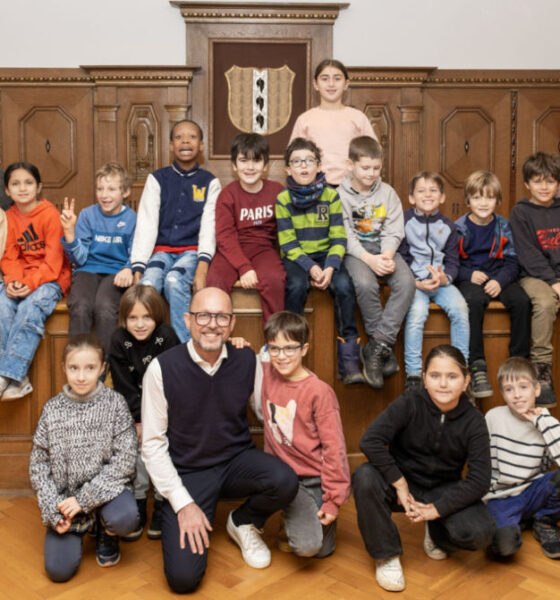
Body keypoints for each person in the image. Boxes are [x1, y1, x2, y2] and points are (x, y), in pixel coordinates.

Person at [141, 287, 298, 594]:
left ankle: (242, 521)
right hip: (189, 474)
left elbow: (266, 414)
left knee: (285, 480)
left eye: (221, 317)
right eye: (203, 316)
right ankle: (193, 510)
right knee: (183, 579)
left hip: (236, 463)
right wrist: (184, 504)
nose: (212, 324)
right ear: (187, 320)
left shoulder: (246, 360)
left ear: (232, 323)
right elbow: (152, 445)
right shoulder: (161, 369)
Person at [352, 344, 494, 593]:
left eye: (452, 377)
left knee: (481, 533)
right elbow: (370, 441)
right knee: (364, 476)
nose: (443, 384)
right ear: (425, 379)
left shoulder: (474, 421)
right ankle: (386, 555)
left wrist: (437, 509)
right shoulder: (410, 403)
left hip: (443, 489)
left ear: (466, 381)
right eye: (435, 375)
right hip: (403, 486)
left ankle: (436, 531)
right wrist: (399, 481)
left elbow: (480, 480)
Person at [29, 334, 138, 582]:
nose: (81, 376)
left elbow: (126, 461)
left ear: (102, 368)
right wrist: (52, 510)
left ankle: (106, 531)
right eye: (74, 368)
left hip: (106, 492)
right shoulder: (52, 409)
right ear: (64, 369)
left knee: (125, 518)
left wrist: (84, 500)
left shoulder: (115, 404)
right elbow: (38, 465)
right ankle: (81, 527)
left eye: (90, 368)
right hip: (66, 504)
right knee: (58, 571)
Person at [253, 311, 351, 557]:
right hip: (280, 475)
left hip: (313, 478)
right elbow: (241, 359)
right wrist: (237, 344)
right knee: (307, 544)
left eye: (289, 349)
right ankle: (290, 509)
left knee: (314, 550)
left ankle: (306, 510)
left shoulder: (320, 392)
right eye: (274, 349)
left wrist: (333, 499)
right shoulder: (266, 374)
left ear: (304, 349)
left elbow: (334, 448)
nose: (281, 356)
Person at [276, 137, 363, 385]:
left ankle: (349, 361)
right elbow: (288, 244)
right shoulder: (283, 200)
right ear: (288, 169)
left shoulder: (331, 196)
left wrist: (330, 267)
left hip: (327, 256)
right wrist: (312, 268)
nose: (303, 166)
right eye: (297, 162)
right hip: (298, 256)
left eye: (309, 161)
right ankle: (290, 348)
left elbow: (338, 237)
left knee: (345, 287)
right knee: (294, 286)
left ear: (318, 165)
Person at [130, 119, 221, 342]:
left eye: (192, 137)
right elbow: (146, 224)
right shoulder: (157, 179)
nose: (185, 141)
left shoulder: (210, 182)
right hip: (160, 252)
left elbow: (209, 227)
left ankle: (187, 345)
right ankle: (150, 346)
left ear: (201, 145)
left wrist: (203, 264)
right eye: (179, 137)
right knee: (147, 286)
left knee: (173, 281)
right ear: (171, 145)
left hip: (190, 253)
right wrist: (138, 266)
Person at [339, 136, 415, 388]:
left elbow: (394, 229)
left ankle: (377, 346)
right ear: (350, 165)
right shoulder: (339, 195)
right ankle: (384, 350)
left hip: (385, 250)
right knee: (364, 283)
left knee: (406, 282)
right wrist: (369, 260)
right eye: (365, 168)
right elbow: (345, 234)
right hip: (356, 253)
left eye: (376, 168)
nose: (371, 173)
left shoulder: (388, 193)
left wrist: (386, 255)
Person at [109, 284, 180, 542]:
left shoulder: (167, 336)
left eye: (147, 317)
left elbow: (173, 384)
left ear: (157, 316)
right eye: (133, 318)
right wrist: (138, 421)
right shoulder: (119, 340)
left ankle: (162, 501)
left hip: (166, 410)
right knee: (136, 447)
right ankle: (139, 499)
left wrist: (154, 422)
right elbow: (123, 387)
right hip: (134, 410)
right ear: (124, 319)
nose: (140, 324)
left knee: (164, 446)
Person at [455, 170, 530, 398]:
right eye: (477, 198)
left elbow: (513, 261)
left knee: (522, 301)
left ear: (497, 199)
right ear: (468, 201)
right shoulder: (458, 228)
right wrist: (468, 275)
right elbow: (451, 263)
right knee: (474, 302)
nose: (483, 203)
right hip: (471, 278)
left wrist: (500, 280)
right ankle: (477, 364)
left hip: (499, 275)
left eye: (489, 197)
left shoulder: (504, 226)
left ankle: (518, 361)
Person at [0, 162, 71, 400]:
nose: (22, 188)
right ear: (7, 190)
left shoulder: (49, 214)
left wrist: (29, 284)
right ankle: (12, 377)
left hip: (50, 279)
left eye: (28, 182)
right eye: (15, 184)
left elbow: (53, 263)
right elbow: (9, 257)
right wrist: (13, 282)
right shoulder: (8, 217)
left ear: (39, 187)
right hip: (21, 278)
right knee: (2, 303)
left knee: (31, 307)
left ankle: (8, 374)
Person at [399, 171, 470, 390]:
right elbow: (400, 256)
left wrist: (444, 278)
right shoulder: (403, 221)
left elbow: (453, 261)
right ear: (411, 197)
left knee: (460, 309)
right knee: (417, 314)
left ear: (442, 197)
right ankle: (413, 375)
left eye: (433, 191)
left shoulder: (449, 226)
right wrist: (415, 282)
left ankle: (462, 367)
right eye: (421, 191)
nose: (427, 195)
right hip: (415, 283)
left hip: (440, 283)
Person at [484, 357, 560, 559]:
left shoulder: (547, 423)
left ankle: (544, 521)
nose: (517, 395)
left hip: (533, 491)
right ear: (502, 394)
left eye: (523, 387)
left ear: (536, 390)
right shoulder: (493, 417)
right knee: (504, 549)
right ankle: (515, 523)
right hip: (502, 498)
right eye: (509, 389)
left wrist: (542, 421)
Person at [206, 133, 285, 326]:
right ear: (234, 165)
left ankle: (273, 339)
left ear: (266, 165)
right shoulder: (227, 195)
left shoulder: (277, 191)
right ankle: (218, 337)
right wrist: (244, 267)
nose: (250, 167)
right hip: (231, 250)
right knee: (215, 280)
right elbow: (225, 236)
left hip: (263, 249)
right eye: (243, 160)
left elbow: (283, 230)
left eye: (256, 161)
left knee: (275, 279)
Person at [61, 162, 136, 354]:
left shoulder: (132, 218)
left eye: (111, 189)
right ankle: (76, 363)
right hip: (88, 269)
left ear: (125, 192)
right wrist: (70, 233)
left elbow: (137, 251)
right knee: (80, 306)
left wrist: (129, 267)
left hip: (116, 273)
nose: (104, 194)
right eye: (100, 189)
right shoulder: (87, 215)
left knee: (104, 307)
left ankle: (103, 369)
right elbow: (79, 259)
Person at [509, 152, 560, 407]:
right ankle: (542, 370)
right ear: (527, 183)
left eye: (550, 181)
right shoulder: (521, 212)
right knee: (545, 302)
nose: (544, 187)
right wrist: (555, 282)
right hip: (533, 275)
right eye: (538, 181)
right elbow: (528, 255)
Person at [290, 59, 377, 186]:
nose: (331, 84)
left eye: (337, 79)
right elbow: (293, 156)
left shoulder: (358, 118)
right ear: (315, 84)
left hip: (353, 187)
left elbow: (373, 153)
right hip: (315, 187)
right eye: (324, 79)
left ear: (346, 84)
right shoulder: (305, 119)